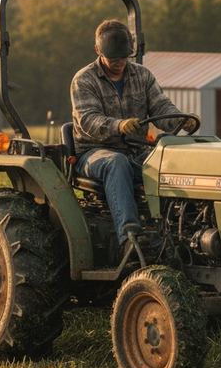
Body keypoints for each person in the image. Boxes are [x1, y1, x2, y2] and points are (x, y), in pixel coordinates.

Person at [70, 19, 184, 249]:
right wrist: (119, 126)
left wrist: (180, 119)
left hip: (138, 150)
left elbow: (161, 107)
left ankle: (178, 232)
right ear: (98, 51)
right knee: (116, 162)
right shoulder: (84, 80)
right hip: (94, 153)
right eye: (113, 59)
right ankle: (130, 237)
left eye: (124, 57)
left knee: (174, 159)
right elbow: (88, 120)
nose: (120, 63)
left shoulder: (142, 76)